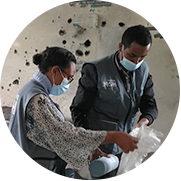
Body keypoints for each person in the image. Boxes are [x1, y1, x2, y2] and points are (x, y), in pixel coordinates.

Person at [0, 47, 138, 181]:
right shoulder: (37, 100)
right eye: (68, 78)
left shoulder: (31, 90)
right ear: (55, 71)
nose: (68, 83)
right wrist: (112, 136)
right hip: (27, 171)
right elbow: (64, 135)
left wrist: (91, 149)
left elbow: (55, 132)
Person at [70, 25, 158, 180]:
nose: (137, 61)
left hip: (122, 148)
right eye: (132, 56)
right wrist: (90, 145)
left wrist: (142, 123)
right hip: (96, 147)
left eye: (142, 57)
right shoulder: (96, 70)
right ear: (121, 47)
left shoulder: (143, 71)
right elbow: (78, 110)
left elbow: (150, 106)